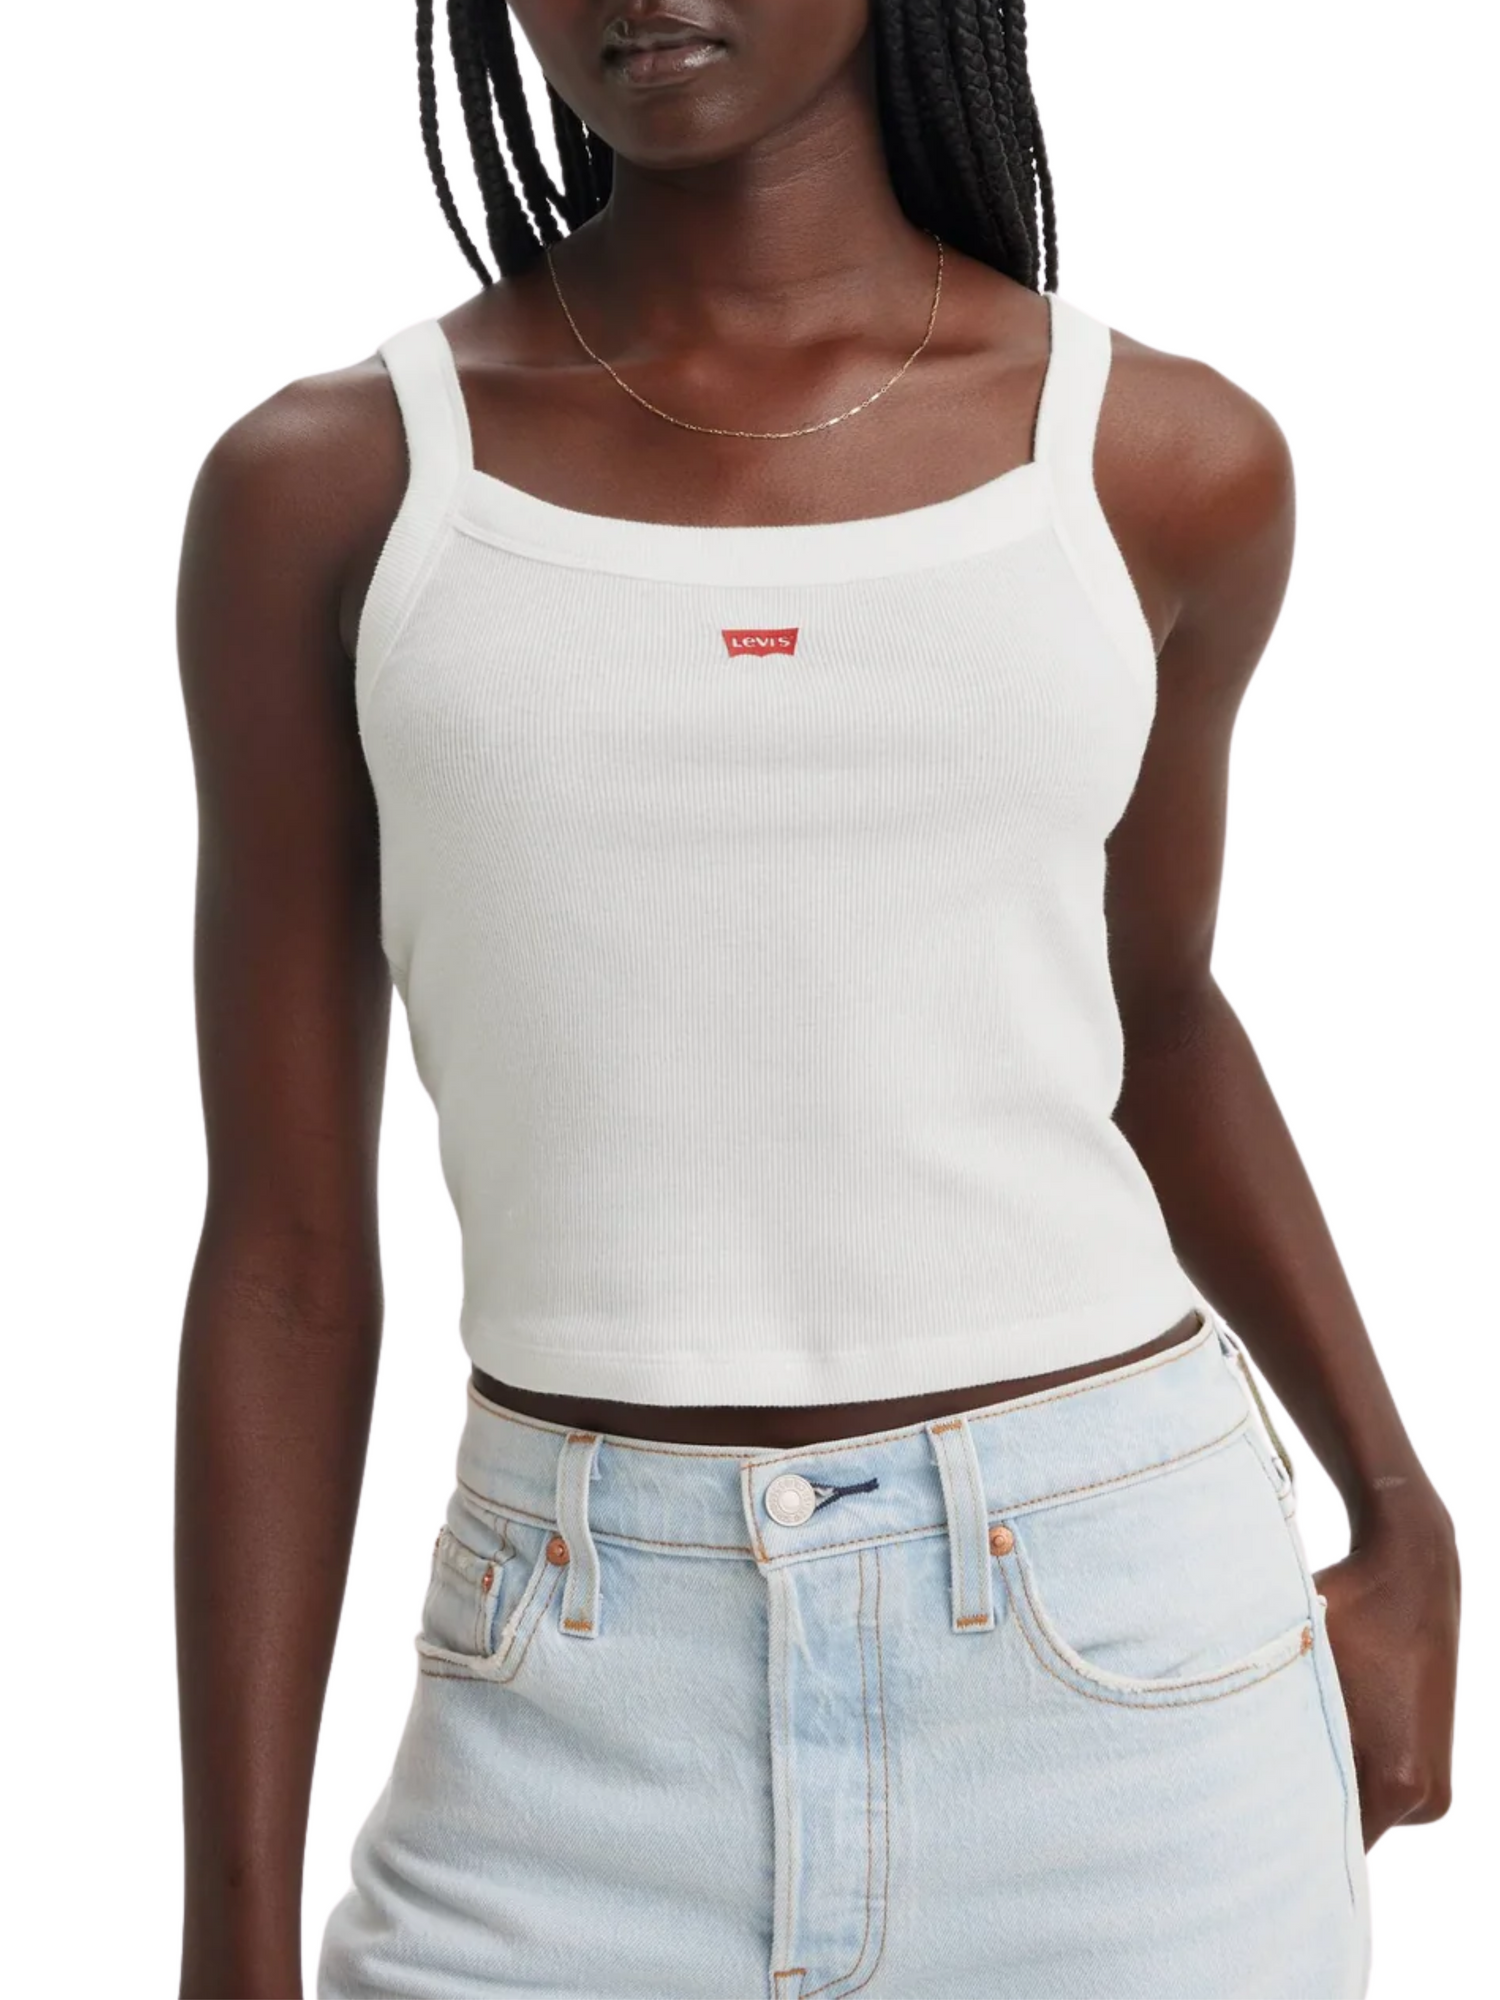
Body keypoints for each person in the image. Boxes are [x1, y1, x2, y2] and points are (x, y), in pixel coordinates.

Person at [173, 3, 1461, 1996]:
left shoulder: (1157, 463)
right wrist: (231, 1925)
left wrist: (1400, 1511)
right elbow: (284, 1259)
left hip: (1120, 1672)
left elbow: (1155, 1015)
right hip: (570, 1703)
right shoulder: (332, 493)